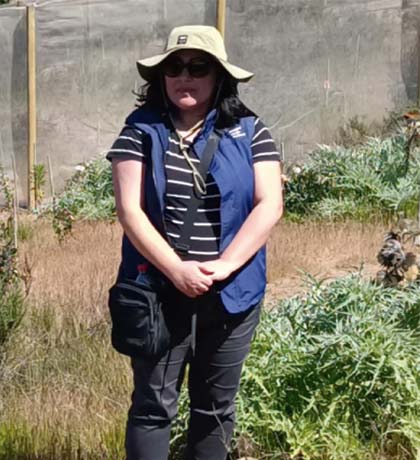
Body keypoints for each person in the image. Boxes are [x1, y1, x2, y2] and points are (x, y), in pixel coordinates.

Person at [106, 25, 283, 459]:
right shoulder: (140, 130)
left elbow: (269, 204)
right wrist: (177, 270)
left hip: (232, 296)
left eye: (198, 67)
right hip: (159, 295)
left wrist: (224, 266)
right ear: (160, 78)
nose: (184, 76)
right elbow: (130, 211)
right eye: (174, 67)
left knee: (216, 409)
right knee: (152, 408)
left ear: (219, 76)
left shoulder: (250, 130)